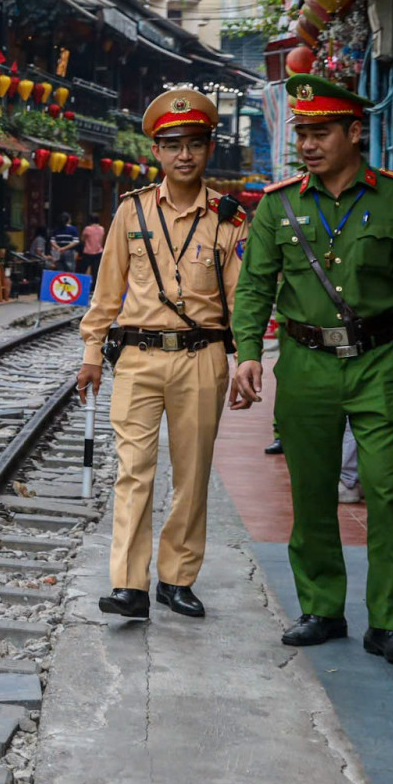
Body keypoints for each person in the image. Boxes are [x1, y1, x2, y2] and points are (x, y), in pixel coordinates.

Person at [230, 74, 393, 667]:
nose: (307, 143)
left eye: (320, 132)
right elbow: (253, 287)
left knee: (386, 493)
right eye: (301, 132)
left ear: (356, 132)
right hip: (303, 366)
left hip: (379, 364)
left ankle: (391, 623)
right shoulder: (279, 205)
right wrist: (247, 351)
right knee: (312, 493)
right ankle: (322, 608)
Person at [78, 89, 246, 621]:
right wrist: (89, 353)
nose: (184, 156)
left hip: (202, 358)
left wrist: (248, 359)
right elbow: (107, 293)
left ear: (209, 149)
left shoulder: (229, 219)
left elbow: (242, 301)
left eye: (195, 144)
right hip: (137, 358)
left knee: (193, 474)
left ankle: (177, 578)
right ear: (156, 151)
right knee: (134, 470)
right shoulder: (131, 212)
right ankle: (129, 585)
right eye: (173, 145)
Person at [79, 213, 107, 278]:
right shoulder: (102, 229)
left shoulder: (87, 229)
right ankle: (94, 287)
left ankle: (83, 285)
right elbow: (101, 240)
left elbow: (82, 239)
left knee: (83, 270)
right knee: (96, 272)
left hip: (88, 252)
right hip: (98, 252)